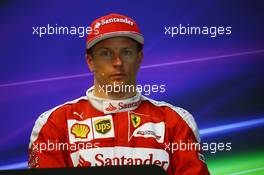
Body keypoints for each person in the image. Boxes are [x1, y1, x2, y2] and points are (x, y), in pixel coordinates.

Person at [28, 13, 210, 175]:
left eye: (127, 52)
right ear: (90, 61)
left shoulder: (175, 121)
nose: (117, 62)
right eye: (106, 53)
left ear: (139, 59)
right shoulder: (54, 123)